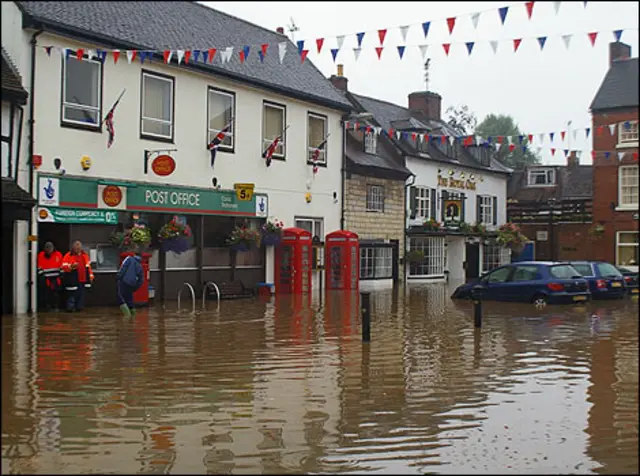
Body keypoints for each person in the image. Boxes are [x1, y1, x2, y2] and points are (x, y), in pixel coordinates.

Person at [61, 240, 94, 312]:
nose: (78, 249)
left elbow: (88, 268)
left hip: (83, 279)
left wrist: (91, 277)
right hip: (72, 279)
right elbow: (63, 267)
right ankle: (70, 309)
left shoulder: (85, 255)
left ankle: (79, 309)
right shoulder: (68, 255)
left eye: (79, 248)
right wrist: (71, 266)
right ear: (73, 248)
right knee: (71, 295)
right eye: (76, 248)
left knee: (81, 296)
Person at [117, 249, 144, 317]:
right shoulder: (140, 265)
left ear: (134, 254)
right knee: (129, 299)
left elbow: (123, 268)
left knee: (120, 296)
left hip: (124, 281)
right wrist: (135, 288)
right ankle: (133, 315)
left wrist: (118, 277)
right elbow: (141, 279)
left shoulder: (129, 259)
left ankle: (127, 315)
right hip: (132, 284)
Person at [37, 242, 63, 311]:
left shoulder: (58, 254)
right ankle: (47, 307)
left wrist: (61, 275)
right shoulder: (41, 255)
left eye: (50, 248)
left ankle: (55, 307)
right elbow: (39, 266)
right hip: (46, 278)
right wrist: (42, 276)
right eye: (47, 248)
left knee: (55, 293)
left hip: (56, 278)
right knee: (46, 294)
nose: (49, 250)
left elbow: (61, 266)